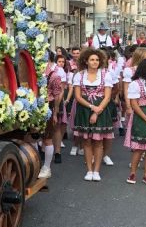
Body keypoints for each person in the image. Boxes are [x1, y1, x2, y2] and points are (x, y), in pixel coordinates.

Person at [72, 48, 113, 181]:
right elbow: (78, 96)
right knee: (87, 141)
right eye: (92, 60)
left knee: (98, 141)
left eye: (97, 60)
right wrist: (91, 106)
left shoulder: (106, 74)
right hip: (84, 109)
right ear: (86, 61)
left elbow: (107, 97)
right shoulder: (79, 75)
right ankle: (89, 170)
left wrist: (97, 110)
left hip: (101, 109)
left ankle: (97, 171)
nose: (95, 62)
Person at [38, 52, 63, 179]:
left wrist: (55, 113)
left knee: (47, 137)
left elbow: (57, 95)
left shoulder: (54, 76)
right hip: (34, 106)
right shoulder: (32, 72)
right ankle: (34, 164)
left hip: (48, 105)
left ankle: (47, 167)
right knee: (30, 136)